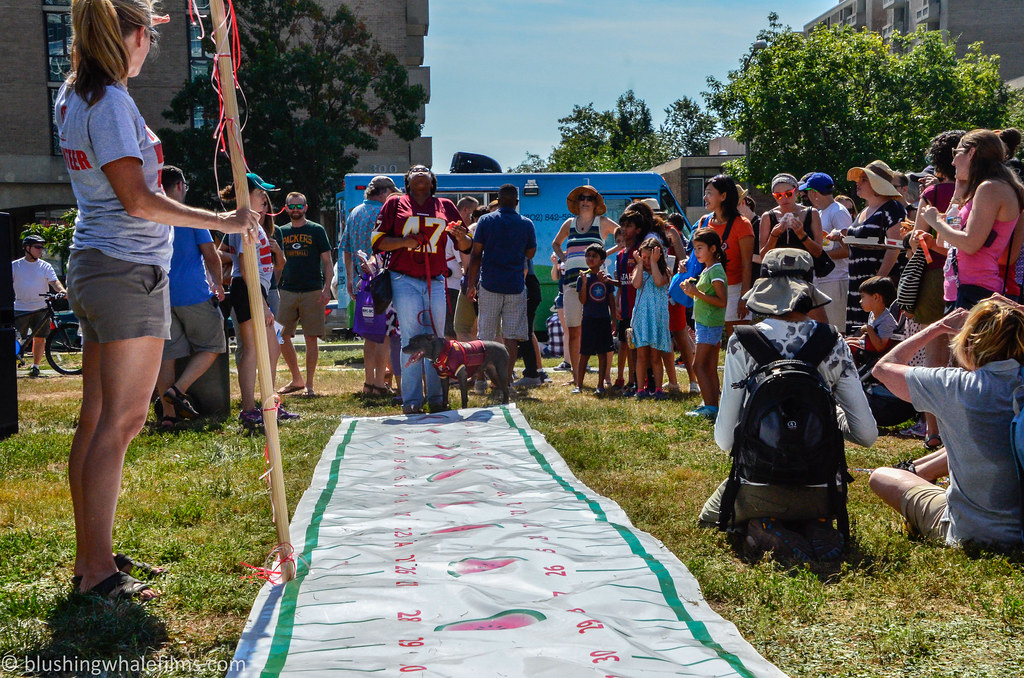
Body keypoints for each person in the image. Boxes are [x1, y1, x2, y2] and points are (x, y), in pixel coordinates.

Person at [57, 0, 255, 601]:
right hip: (124, 270)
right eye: (148, 40)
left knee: (97, 420)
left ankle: (92, 558)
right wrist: (222, 221)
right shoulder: (110, 102)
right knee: (123, 420)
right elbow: (139, 200)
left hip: (99, 265)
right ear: (136, 37)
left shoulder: (75, 91)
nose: (149, 52)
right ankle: (97, 572)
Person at [699, 249, 877, 557]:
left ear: (765, 287)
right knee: (813, 507)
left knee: (709, 516)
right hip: (823, 490)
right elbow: (867, 434)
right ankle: (816, 523)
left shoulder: (743, 341)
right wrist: (831, 414)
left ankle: (764, 523)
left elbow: (724, 439)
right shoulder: (832, 342)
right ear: (809, 287)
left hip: (759, 484)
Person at [869, 297, 1024, 547]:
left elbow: (884, 368)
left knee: (881, 476)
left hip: (969, 530)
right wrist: (1015, 313)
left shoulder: (954, 385)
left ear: (969, 342)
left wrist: (937, 326)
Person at [371, 165, 472, 414]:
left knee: (437, 339)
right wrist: (405, 241)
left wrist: (461, 237)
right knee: (412, 338)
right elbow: (377, 240)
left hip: (436, 279)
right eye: (413, 170)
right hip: (403, 278)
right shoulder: (395, 204)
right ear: (407, 181)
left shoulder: (445, 205)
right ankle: (412, 400)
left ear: (432, 180)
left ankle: (437, 398)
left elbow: (467, 245)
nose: (419, 171)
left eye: (424, 170)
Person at [154, 165, 227, 427]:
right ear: (179, 186)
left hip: (160, 297)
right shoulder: (190, 216)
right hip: (194, 294)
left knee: (167, 356)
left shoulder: (151, 215)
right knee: (213, 345)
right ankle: (178, 390)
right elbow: (210, 254)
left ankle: (168, 418)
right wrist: (218, 284)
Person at [920, 129, 1024, 310]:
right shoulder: (983, 189)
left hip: (976, 291)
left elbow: (970, 244)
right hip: (961, 289)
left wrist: (935, 221)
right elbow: (945, 242)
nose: (952, 161)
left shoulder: (990, 188)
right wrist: (956, 196)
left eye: (956, 153)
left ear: (972, 152)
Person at [222, 174, 295, 427]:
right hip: (247, 289)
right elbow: (245, 263)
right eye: (259, 192)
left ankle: (269, 403)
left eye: (265, 193)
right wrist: (262, 304)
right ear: (246, 194)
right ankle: (249, 409)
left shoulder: (254, 222)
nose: (264, 197)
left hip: (255, 290)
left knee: (272, 347)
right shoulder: (245, 223)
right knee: (252, 350)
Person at [466, 183, 537, 385]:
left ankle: (480, 380)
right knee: (511, 337)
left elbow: (476, 253)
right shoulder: (526, 223)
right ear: (516, 202)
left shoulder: (486, 221)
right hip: (515, 285)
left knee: (485, 335)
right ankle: (505, 381)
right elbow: (530, 253)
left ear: (497, 199)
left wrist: (472, 285)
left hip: (489, 284)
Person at [341, 175, 400, 395]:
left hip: (362, 281)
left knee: (368, 335)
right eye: (392, 193)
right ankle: (378, 383)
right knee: (383, 334)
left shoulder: (354, 212)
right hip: (383, 281)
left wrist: (349, 278)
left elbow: (345, 247)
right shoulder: (384, 212)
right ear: (384, 192)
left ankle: (368, 382)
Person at [552, 186, 618, 383]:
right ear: (577, 202)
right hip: (572, 283)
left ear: (596, 202)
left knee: (602, 330)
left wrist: (607, 254)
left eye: (590, 197)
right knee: (574, 330)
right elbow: (556, 243)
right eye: (582, 197)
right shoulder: (569, 223)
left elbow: (622, 236)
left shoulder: (603, 222)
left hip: (597, 284)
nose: (586, 201)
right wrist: (565, 258)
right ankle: (576, 376)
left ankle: (606, 377)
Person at [274, 191, 333, 397]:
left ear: (306, 208)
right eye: (292, 206)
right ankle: (296, 378)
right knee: (280, 335)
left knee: (311, 338)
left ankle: (309, 384)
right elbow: (275, 265)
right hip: (286, 291)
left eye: (300, 206)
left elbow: (327, 262)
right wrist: (274, 288)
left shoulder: (316, 230)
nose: (296, 210)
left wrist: (327, 289)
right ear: (286, 208)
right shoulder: (279, 232)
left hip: (312, 290)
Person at [843, 160, 907, 335]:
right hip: (858, 283)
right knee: (858, 334)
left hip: (878, 286)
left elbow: (895, 247)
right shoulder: (865, 210)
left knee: (878, 335)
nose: (858, 183)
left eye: (864, 179)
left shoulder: (892, 208)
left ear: (877, 183)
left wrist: (878, 280)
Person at [696, 175, 754, 334]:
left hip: (735, 290)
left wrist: (744, 297)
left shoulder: (742, 224)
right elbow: (698, 257)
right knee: (707, 342)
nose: (704, 197)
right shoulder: (704, 222)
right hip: (709, 288)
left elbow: (747, 264)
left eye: (709, 193)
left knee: (738, 344)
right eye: (705, 192)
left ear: (723, 196)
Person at [681, 227, 728, 418]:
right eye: (695, 249)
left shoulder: (715, 271)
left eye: (700, 248)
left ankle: (710, 406)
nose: (696, 253)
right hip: (705, 324)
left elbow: (721, 301)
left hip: (709, 325)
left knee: (698, 366)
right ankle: (712, 405)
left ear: (713, 248)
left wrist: (696, 293)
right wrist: (691, 292)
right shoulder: (709, 269)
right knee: (708, 366)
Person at [801, 173, 852, 330]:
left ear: (814, 192)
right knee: (823, 329)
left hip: (836, 280)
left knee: (836, 329)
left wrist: (819, 257)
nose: (806, 195)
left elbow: (848, 250)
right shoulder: (823, 211)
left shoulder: (838, 211)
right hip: (824, 279)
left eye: (808, 191)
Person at [12, 235, 66, 377]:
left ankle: (36, 366)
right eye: (37, 247)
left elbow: (54, 282)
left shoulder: (45, 266)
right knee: (17, 339)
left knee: (40, 338)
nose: (41, 250)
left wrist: (61, 291)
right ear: (27, 248)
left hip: (41, 307)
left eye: (42, 247)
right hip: (20, 307)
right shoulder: (15, 266)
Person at [629, 238, 671, 400]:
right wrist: (639, 264)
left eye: (649, 257)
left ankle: (658, 388)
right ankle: (640, 389)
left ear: (658, 255)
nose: (646, 261)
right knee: (641, 356)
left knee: (655, 357)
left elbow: (659, 282)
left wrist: (654, 263)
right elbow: (636, 284)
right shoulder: (639, 270)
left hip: (657, 319)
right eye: (643, 257)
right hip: (642, 318)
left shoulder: (664, 271)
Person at [572, 244, 616, 395]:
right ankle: (579, 385)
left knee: (603, 353)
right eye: (588, 255)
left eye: (594, 256)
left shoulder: (607, 278)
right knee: (584, 353)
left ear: (602, 260)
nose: (590, 258)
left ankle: (600, 385)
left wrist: (614, 320)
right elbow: (583, 301)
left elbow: (611, 301)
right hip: (589, 320)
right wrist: (584, 284)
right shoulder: (582, 277)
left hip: (603, 320)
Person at [846, 276, 898, 368]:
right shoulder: (872, 314)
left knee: (848, 347)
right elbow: (866, 338)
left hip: (878, 353)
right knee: (845, 342)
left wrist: (868, 329)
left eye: (863, 297)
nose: (860, 301)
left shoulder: (886, 320)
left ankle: (853, 374)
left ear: (876, 297)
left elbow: (881, 347)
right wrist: (856, 339)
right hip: (870, 347)